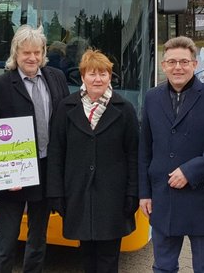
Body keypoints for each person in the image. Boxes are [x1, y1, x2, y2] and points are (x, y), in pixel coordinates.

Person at [139, 36, 204, 273]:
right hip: (163, 199)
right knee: (163, 267)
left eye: (184, 62)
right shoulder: (152, 97)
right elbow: (144, 149)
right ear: (163, 66)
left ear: (194, 64)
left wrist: (190, 171)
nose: (178, 67)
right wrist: (144, 193)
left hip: (201, 200)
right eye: (171, 62)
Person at [46, 49, 139, 273]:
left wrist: (132, 193)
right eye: (92, 74)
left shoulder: (124, 109)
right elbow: (56, 152)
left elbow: (134, 155)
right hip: (78, 195)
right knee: (86, 258)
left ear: (110, 77)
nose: (97, 79)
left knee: (108, 260)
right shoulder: (66, 107)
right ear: (82, 77)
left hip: (113, 199)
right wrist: (56, 193)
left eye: (103, 74)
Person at [0, 25, 68, 273]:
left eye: (37, 52)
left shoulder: (56, 77)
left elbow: (65, 119)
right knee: (6, 239)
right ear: (16, 53)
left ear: (44, 52)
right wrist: (0, 176)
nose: (32, 58)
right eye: (26, 53)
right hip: (14, 173)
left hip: (47, 168)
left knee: (38, 237)